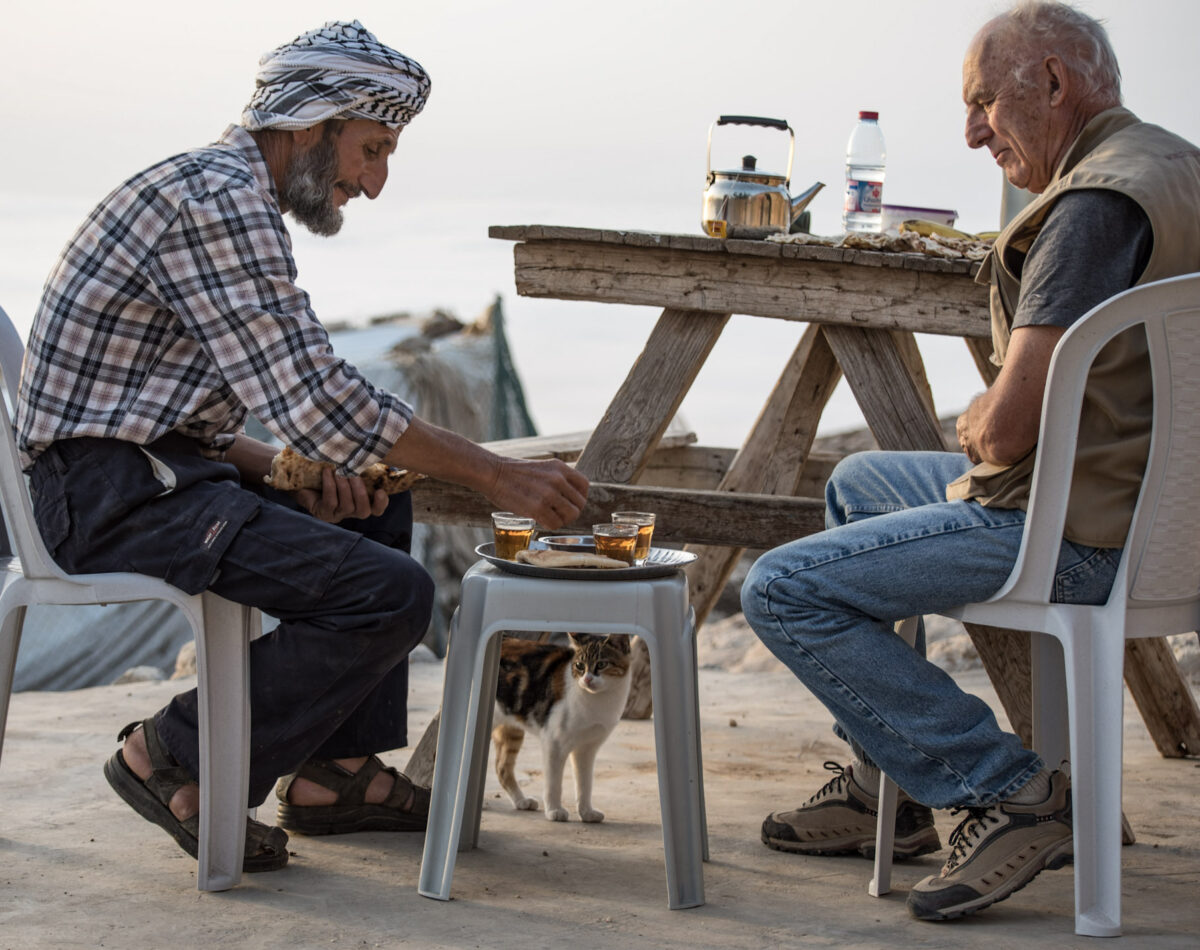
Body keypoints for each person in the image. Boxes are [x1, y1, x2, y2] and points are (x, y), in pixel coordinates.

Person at [15, 21, 588, 873]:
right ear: (312, 123)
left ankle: (335, 773)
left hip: (159, 470)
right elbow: (317, 397)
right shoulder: (217, 203)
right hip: (109, 499)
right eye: (372, 149)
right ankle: (169, 752)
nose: (376, 182)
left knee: (379, 497)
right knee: (390, 596)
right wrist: (501, 475)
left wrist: (290, 467)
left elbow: (202, 415)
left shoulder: (230, 194)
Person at [740, 0, 1200, 923]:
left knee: (780, 590)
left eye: (985, 102)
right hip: (1157, 510)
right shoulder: (1175, 166)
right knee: (856, 482)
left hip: (1075, 529)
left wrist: (981, 419)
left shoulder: (1089, 210)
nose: (971, 129)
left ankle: (1002, 789)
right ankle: (890, 782)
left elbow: (1004, 434)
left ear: (1057, 84)